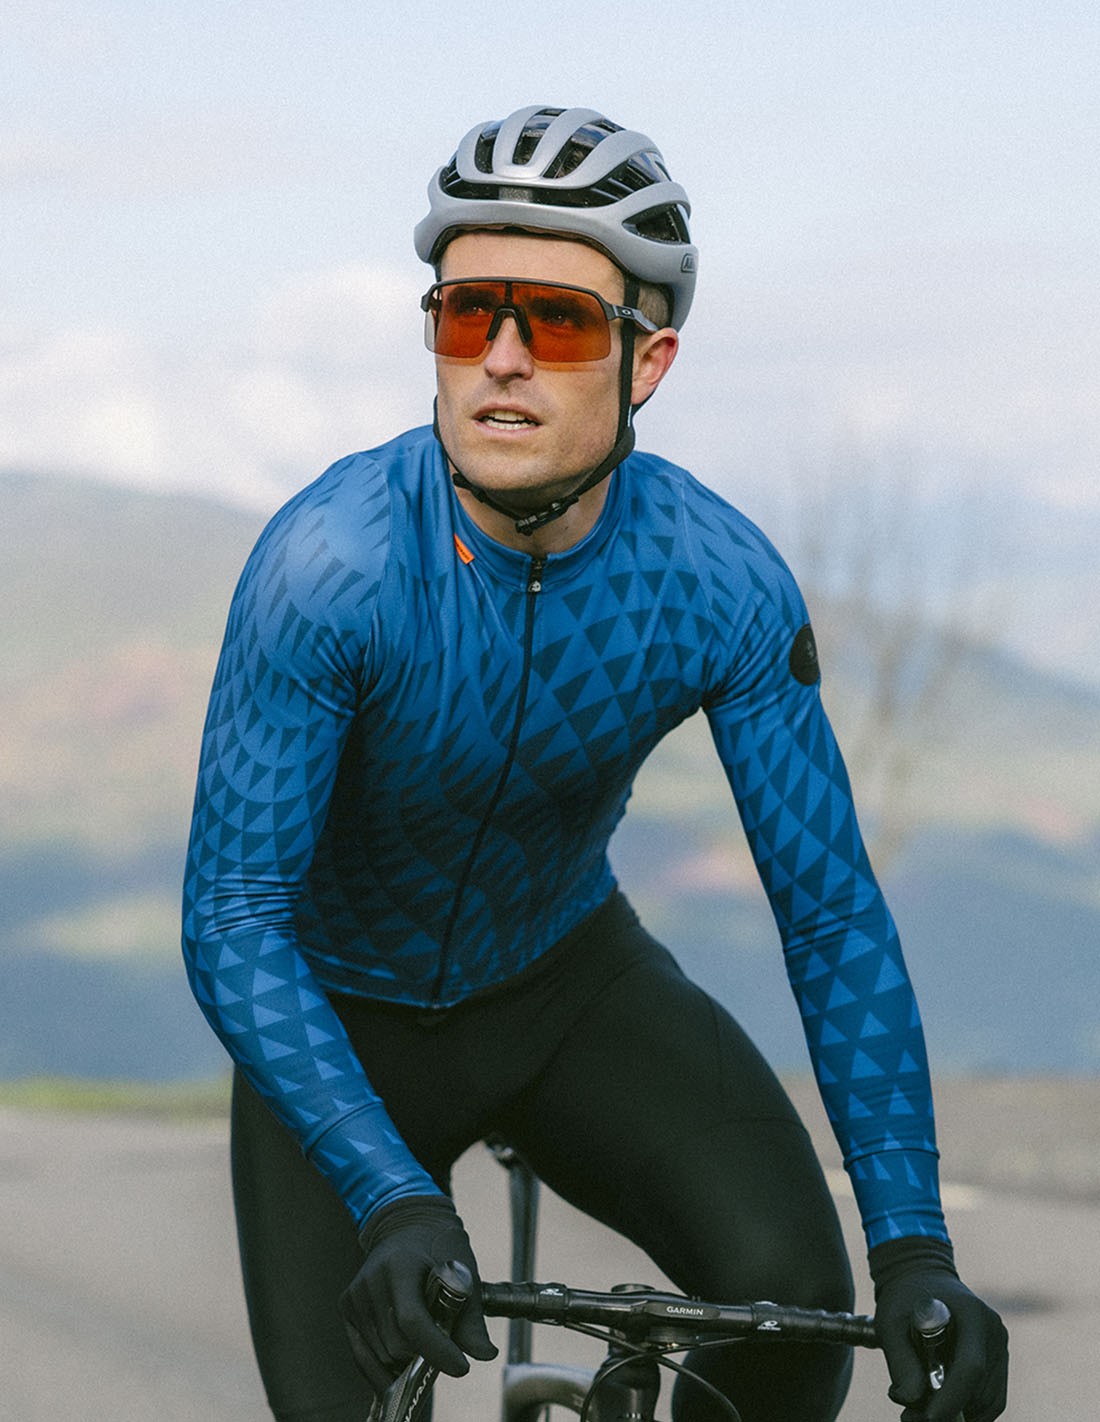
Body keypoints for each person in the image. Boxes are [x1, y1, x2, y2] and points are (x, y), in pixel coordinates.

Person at [182, 105, 1008, 1422]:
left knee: (795, 1311)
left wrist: (916, 1249)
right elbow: (233, 915)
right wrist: (390, 1196)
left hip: (565, 985)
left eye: (559, 323)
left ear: (647, 359)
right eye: (467, 314)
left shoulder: (716, 580)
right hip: (336, 1021)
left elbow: (831, 914)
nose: (501, 359)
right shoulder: (330, 566)